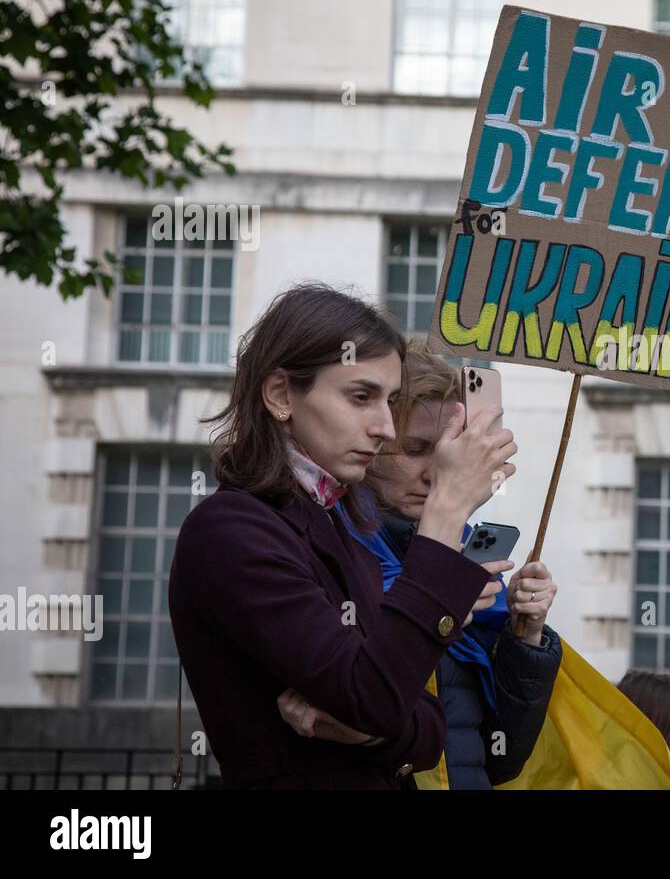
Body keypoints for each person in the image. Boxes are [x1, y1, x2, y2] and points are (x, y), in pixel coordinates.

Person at [168, 283, 514, 789]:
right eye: (361, 396)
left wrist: (370, 733)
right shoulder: (231, 531)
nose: (384, 428)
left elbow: (427, 729)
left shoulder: (342, 529)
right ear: (282, 395)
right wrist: (447, 508)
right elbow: (375, 695)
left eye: (389, 400)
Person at [336, 343, 562, 789]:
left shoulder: (475, 559)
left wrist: (526, 635)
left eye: (447, 451)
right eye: (416, 448)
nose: (435, 472)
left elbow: (503, 758)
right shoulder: (325, 544)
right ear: (372, 439)